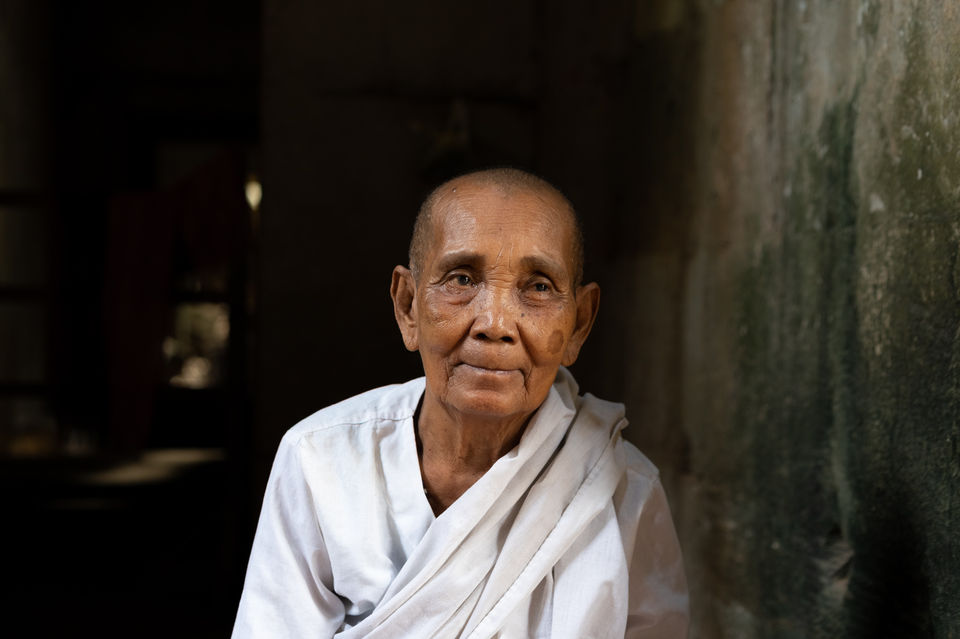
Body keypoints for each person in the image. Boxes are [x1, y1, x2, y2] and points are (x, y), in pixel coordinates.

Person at [232, 168, 689, 638]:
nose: (495, 322)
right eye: (462, 278)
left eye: (538, 287)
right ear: (408, 305)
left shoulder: (621, 491)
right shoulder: (320, 461)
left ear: (579, 324)